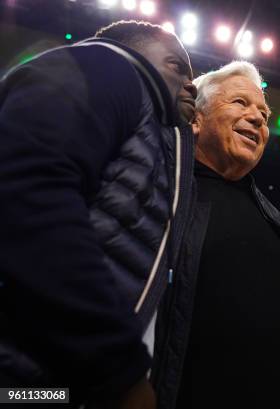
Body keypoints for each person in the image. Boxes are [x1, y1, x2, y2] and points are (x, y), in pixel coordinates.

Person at [0, 20, 196, 407]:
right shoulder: (108, 65)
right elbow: (27, 189)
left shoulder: (159, 140)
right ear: (135, 52)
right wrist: (119, 371)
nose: (192, 85)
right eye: (177, 66)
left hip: (55, 385)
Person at [152, 62, 280, 409]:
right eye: (239, 103)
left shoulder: (275, 218)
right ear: (196, 119)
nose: (258, 119)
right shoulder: (158, 193)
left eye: (263, 114)